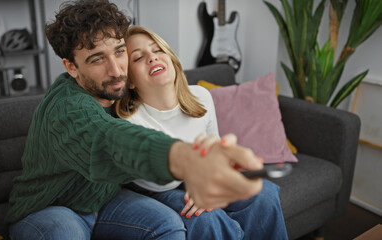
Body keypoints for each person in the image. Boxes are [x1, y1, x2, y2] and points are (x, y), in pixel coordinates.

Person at [6, 0, 265, 239]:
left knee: (168, 225)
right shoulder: (67, 108)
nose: (116, 70)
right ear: (71, 67)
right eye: (97, 59)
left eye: (120, 52)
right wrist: (184, 158)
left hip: (105, 201)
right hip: (50, 208)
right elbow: (108, 141)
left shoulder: (123, 92)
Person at [114, 25, 288, 240]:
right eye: (138, 58)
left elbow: (216, 150)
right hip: (158, 189)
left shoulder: (201, 96)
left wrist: (209, 178)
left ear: (170, 59)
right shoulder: (130, 120)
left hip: (200, 174)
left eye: (157, 50)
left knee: (265, 193)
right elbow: (160, 182)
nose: (152, 58)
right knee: (204, 215)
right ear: (130, 81)